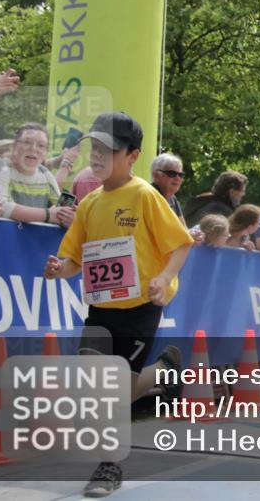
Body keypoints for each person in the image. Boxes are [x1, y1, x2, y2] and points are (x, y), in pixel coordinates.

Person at [42, 112, 192, 497]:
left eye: (109, 149)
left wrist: (162, 278)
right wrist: (59, 270)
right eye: (95, 148)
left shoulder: (145, 196)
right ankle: (164, 372)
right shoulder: (90, 203)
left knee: (114, 392)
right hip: (102, 309)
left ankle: (109, 467)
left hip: (141, 308)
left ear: (132, 155)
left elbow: (180, 245)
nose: (98, 156)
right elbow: (75, 257)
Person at [0, 122, 75, 226]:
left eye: (41, 145)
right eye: (27, 142)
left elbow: (62, 209)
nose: (33, 148)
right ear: (14, 146)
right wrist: (47, 214)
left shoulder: (45, 173)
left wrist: (72, 214)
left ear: (46, 152)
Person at [182, 170, 247, 227]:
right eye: (242, 191)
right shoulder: (223, 211)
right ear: (232, 192)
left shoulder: (200, 200)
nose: (244, 194)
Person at [150, 153, 186, 222]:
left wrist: (192, 233)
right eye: (172, 174)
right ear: (156, 175)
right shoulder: (148, 195)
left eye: (180, 175)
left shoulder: (172, 198)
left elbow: (183, 228)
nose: (178, 178)